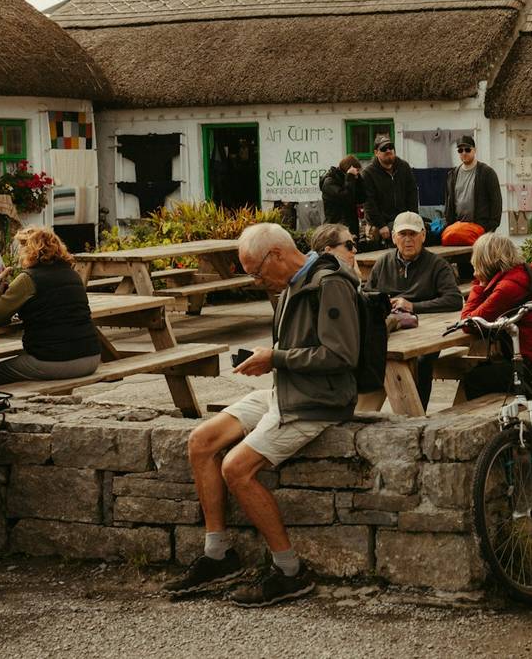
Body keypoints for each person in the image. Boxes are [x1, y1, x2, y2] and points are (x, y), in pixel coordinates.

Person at [163, 223, 359, 606]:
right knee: (201, 441)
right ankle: (217, 555)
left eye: (256, 270)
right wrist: (270, 359)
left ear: (277, 255)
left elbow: (341, 355)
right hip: (286, 391)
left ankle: (289, 571)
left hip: (317, 402)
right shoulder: (290, 285)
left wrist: (277, 358)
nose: (255, 280)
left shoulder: (330, 283)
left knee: (236, 468)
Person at [457, 232, 532, 398]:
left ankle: (500, 423)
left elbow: (468, 324)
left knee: (475, 379)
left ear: (484, 261)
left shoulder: (508, 287)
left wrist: (480, 286)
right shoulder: (521, 276)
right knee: (492, 368)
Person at [362, 211, 462, 410]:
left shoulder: (437, 265)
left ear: (423, 236)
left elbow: (454, 300)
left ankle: (418, 412)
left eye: (413, 234)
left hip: (427, 330)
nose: (408, 240)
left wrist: (413, 306)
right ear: (393, 237)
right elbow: (367, 295)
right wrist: (384, 304)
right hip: (394, 327)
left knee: (422, 359)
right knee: (373, 353)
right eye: (403, 234)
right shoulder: (383, 263)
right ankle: (366, 410)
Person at [0, 227, 99, 384]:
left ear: (30, 250)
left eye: (22, 247)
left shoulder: (28, 278)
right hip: (92, 357)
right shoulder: (72, 275)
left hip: (56, 361)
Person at [361, 136, 418, 245]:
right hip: (382, 224)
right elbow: (369, 203)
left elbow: (412, 194)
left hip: (404, 219)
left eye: (390, 147)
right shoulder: (368, 173)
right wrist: (381, 225)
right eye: (383, 148)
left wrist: (413, 218)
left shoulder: (404, 167)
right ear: (376, 152)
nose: (388, 150)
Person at [442, 135, 502, 234]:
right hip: (458, 229)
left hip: (480, 229)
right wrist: (449, 224)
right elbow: (448, 203)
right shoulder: (452, 175)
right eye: (460, 150)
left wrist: (490, 228)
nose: (464, 153)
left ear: (474, 150)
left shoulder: (487, 172)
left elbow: (496, 202)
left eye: (467, 149)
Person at [318, 155, 363, 231]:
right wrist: (350, 177)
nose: (357, 174)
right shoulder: (329, 182)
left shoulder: (349, 180)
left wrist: (358, 180)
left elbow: (361, 198)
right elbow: (346, 198)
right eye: (356, 171)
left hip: (351, 224)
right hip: (335, 226)